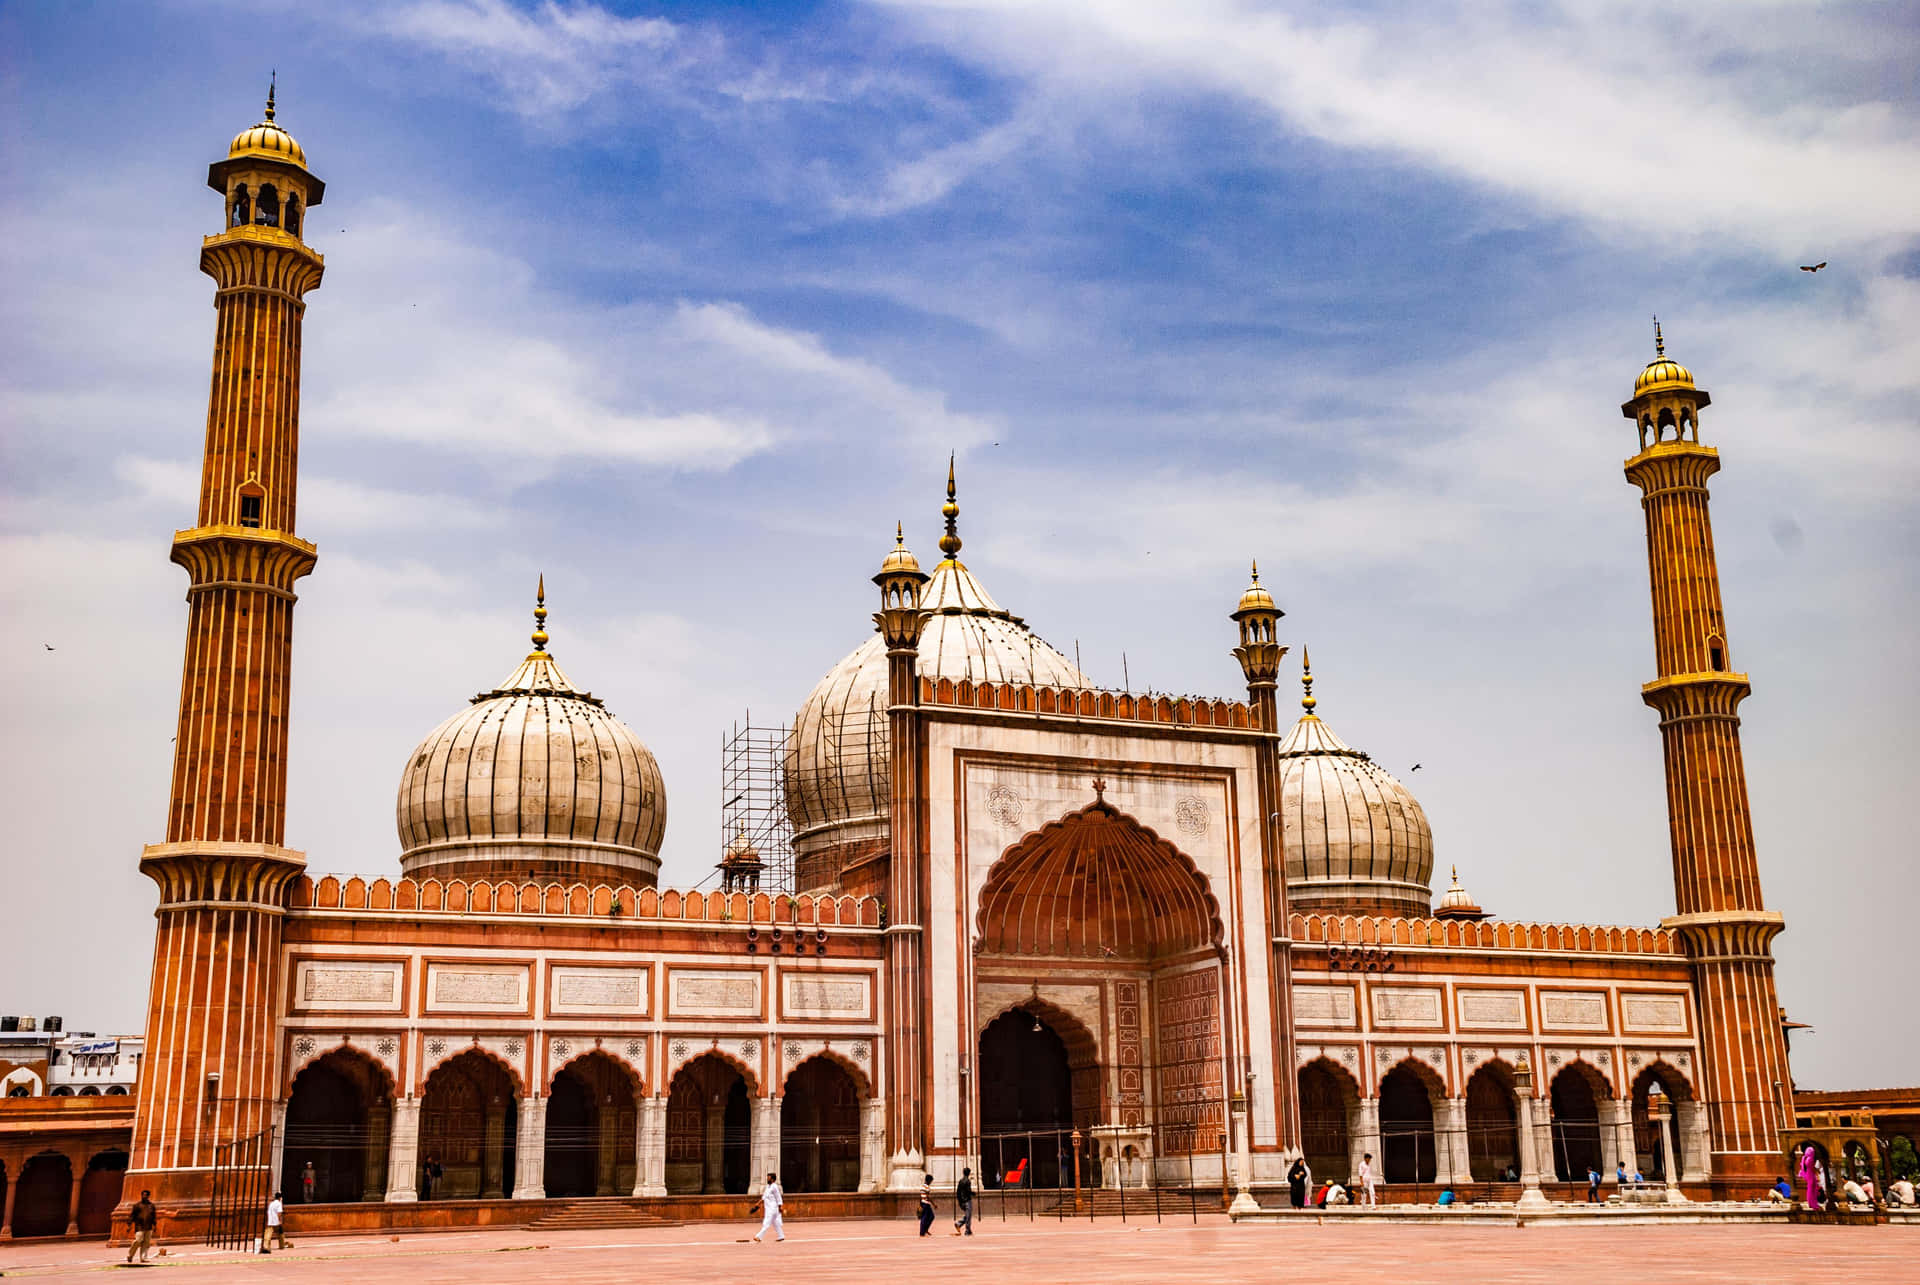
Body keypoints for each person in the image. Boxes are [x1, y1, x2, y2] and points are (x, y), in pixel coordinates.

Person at [126, 1189, 157, 1263]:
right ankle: (130, 1255)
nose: (144, 1196)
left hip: (148, 1226)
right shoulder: (137, 1205)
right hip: (139, 1226)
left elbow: (153, 1216)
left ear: (148, 1196)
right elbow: (132, 1216)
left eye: (146, 1195)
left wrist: (155, 1225)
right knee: (138, 1240)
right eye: (143, 1195)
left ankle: (143, 1258)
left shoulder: (151, 1206)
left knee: (146, 1243)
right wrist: (129, 1225)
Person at [753, 1172, 785, 1243]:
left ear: (773, 1179)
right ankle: (781, 1236)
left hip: (773, 1208)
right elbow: (764, 1196)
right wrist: (758, 1203)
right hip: (768, 1208)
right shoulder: (768, 1186)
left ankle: (759, 1237)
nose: (767, 1179)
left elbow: (778, 1197)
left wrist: (780, 1206)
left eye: (769, 1178)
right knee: (775, 1222)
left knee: (767, 1222)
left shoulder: (774, 1186)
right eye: (767, 1177)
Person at [952, 1166, 974, 1236]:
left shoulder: (961, 1181)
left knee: (968, 1215)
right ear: (969, 1173)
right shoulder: (967, 1181)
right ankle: (967, 1230)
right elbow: (968, 1191)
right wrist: (973, 1193)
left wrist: (959, 1201)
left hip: (962, 1201)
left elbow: (958, 1192)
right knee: (968, 1216)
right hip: (967, 1200)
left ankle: (959, 1224)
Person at [1796, 1144, 1819, 1208]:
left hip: (1807, 1174)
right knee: (1812, 1189)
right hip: (1810, 1174)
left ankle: (1811, 1203)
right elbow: (1811, 1167)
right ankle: (1813, 1203)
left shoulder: (1804, 1158)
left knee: (1810, 1189)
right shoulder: (1810, 1159)